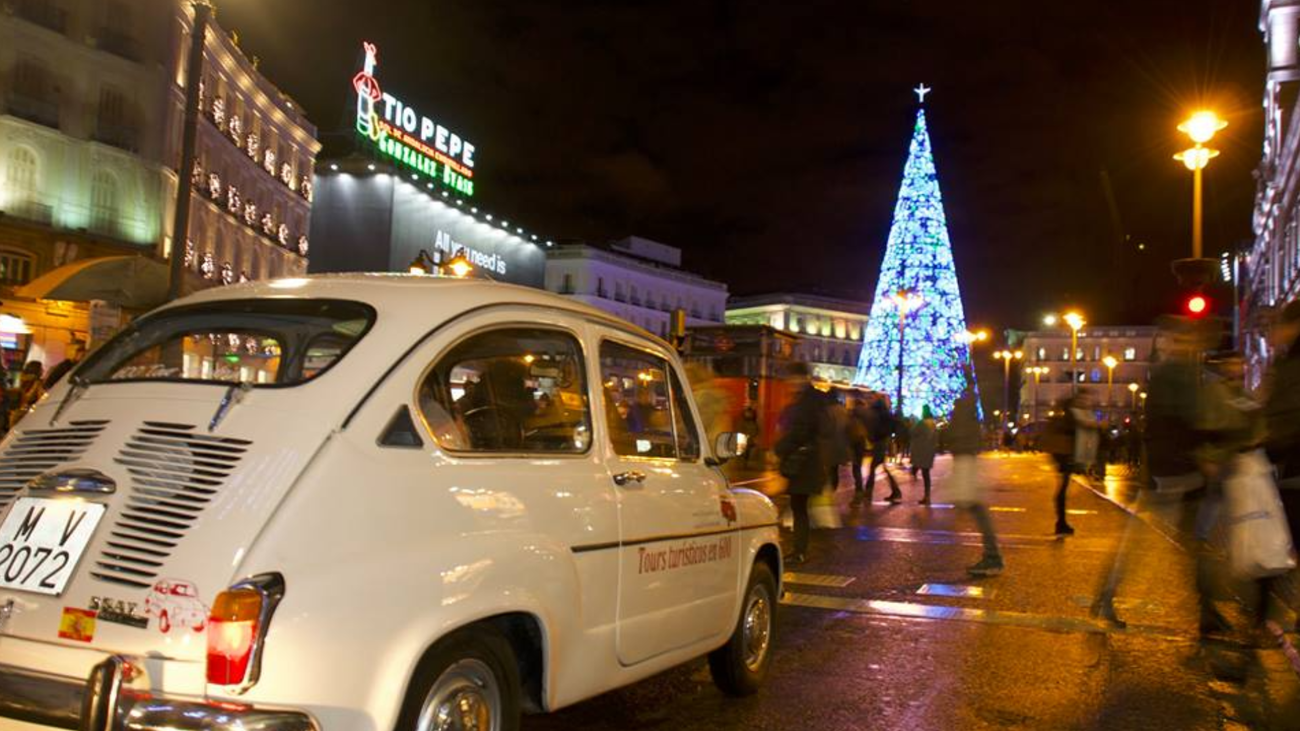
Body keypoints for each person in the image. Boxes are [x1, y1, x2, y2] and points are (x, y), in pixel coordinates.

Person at [1092, 316, 1220, 629]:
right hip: (1176, 472)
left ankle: (1206, 609)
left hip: (1173, 470)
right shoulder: (1176, 374)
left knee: (1184, 542)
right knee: (1171, 543)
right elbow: (1184, 421)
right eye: (1183, 339)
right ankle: (1205, 610)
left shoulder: (1174, 373)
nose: (1189, 344)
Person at [1262, 300, 1300, 634]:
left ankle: (1262, 614)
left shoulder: (1291, 364)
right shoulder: (1286, 361)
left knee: (1278, 540)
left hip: (1293, 468)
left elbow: (1285, 415)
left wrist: (1263, 446)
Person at [775, 362, 829, 565]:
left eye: (793, 378)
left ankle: (799, 551)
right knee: (799, 506)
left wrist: (780, 448)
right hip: (808, 460)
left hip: (805, 462)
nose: (791, 382)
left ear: (802, 378)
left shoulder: (807, 401)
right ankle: (800, 548)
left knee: (799, 506)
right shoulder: (812, 399)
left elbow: (800, 431)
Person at [949, 382, 1003, 576]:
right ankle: (992, 556)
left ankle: (993, 557)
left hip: (965, 460)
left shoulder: (963, 411)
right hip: (965, 459)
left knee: (976, 508)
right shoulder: (969, 411)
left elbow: (958, 436)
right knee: (975, 507)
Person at [1040, 393, 1098, 536]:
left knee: (1063, 489)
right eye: (1080, 401)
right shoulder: (1070, 417)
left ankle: (1061, 522)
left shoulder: (1065, 416)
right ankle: (1061, 522)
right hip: (1064, 455)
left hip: (1062, 455)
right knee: (1062, 490)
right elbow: (1080, 427)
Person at [858, 396, 902, 504]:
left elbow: (873, 428)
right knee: (878, 467)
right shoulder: (885, 413)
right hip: (883, 441)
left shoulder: (877, 414)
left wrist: (872, 437)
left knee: (874, 467)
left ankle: (869, 493)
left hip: (879, 442)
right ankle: (895, 491)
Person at [910, 405, 938, 504]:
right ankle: (927, 495)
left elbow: (912, 432)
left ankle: (926, 497)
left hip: (921, 451)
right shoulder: (934, 424)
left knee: (922, 471)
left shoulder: (921, 423)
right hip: (929, 452)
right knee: (926, 474)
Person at [9, 360, 45, 429]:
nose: (43, 370)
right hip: (27, 413)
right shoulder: (38, 383)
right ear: (37, 370)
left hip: (13, 412)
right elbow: (42, 399)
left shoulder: (17, 379)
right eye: (41, 368)